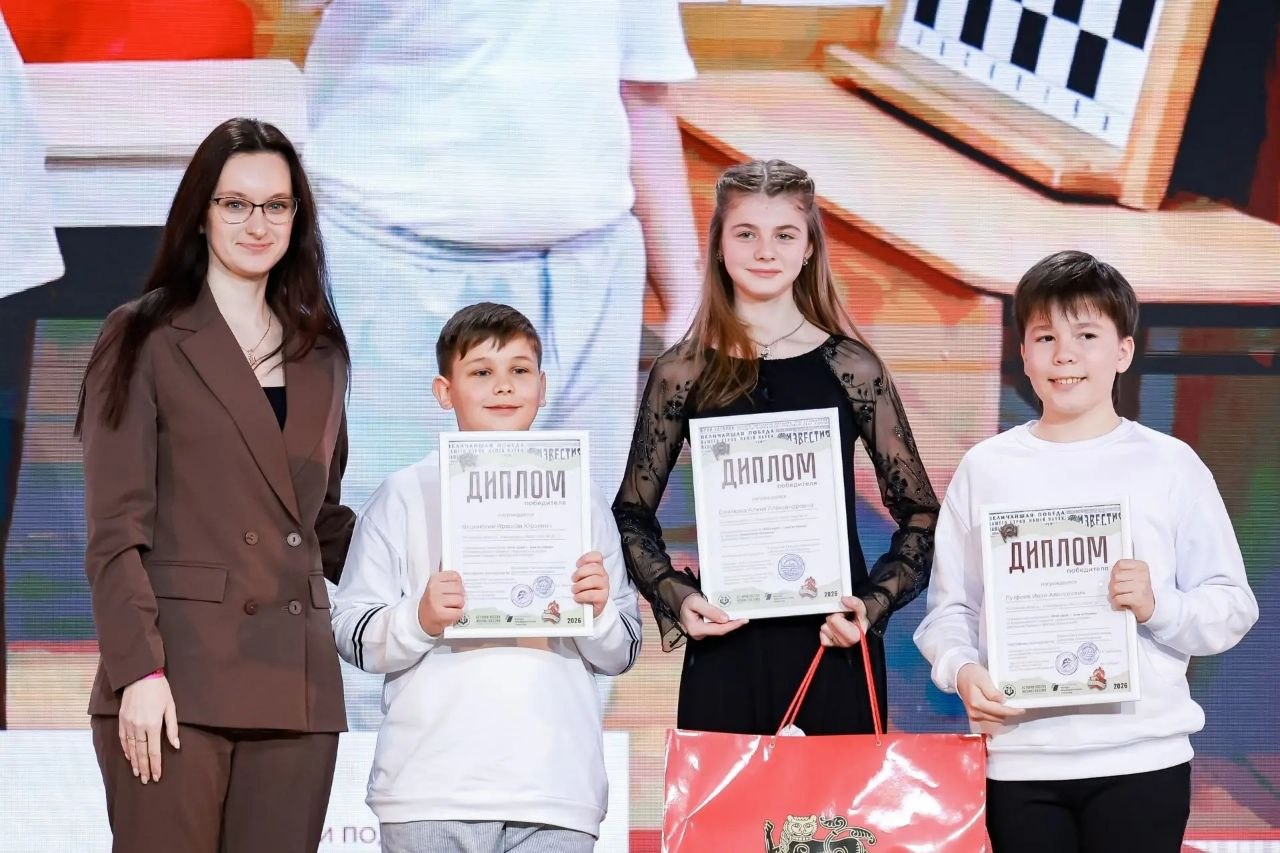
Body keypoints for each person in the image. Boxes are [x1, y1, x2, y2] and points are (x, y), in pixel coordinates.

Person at [913, 250, 1259, 853]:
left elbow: (1232, 606)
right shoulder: (985, 468)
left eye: (1087, 335)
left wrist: (1158, 606)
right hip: (1021, 761)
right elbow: (950, 611)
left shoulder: (1170, 464)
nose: (1064, 354)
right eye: (1045, 337)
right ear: (1023, 353)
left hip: (1142, 758)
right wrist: (962, 672)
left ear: (1123, 351)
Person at [77, 118, 355, 852]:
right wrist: (139, 671)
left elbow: (320, 521)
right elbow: (114, 531)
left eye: (276, 205)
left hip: (295, 688)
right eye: (236, 204)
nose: (257, 224)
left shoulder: (322, 352)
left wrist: (444, 546)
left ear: (297, 218)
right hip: (175, 680)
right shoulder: (141, 335)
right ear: (201, 212)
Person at [301, 0, 702, 508]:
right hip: (392, 263)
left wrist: (688, 297)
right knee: (383, 532)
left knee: (578, 534)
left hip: (589, 271)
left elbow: (643, 96)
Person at [613, 159, 940, 736]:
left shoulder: (852, 368)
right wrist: (679, 597)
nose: (765, 251)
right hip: (725, 645)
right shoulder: (681, 372)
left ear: (809, 248)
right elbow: (631, 515)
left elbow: (921, 513)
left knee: (835, 801)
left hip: (833, 644)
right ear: (718, 246)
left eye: (784, 235)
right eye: (746, 233)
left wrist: (870, 606)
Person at [331, 302, 642, 853]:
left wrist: (597, 614)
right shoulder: (403, 495)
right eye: (480, 371)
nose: (503, 386)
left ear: (542, 387)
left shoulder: (583, 500)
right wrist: (419, 619)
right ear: (444, 391)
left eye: (520, 370)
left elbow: (623, 649)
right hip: (431, 790)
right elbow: (351, 631)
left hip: (555, 790)